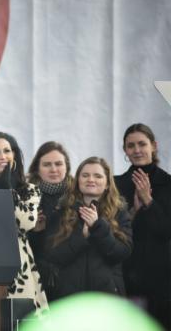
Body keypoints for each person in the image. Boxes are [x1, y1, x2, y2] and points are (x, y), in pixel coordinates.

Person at [0, 132, 48, 314]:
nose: (3, 156)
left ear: (14, 155)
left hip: (18, 265)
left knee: (18, 319)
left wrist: (7, 190)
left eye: (7, 151)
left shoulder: (28, 189)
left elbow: (27, 223)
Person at [47, 157, 132, 300]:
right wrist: (82, 238)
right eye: (85, 175)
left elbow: (122, 253)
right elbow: (54, 255)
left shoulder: (120, 212)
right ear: (78, 181)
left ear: (107, 184)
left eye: (98, 176)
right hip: (69, 299)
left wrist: (98, 227)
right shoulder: (62, 211)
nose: (90, 179)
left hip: (108, 297)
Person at [114, 123, 171, 329]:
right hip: (127, 275)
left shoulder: (168, 184)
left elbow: (166, 231)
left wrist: (148, 201)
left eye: (142, 144)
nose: (137, 150)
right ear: (125, 150)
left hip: (161, 278)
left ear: (153, 146)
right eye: (131, 146)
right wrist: (134, 212)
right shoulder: (115, 184)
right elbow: (113, 231)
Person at [27, 141, 73, 299]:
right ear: (37, 169)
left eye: (58, 164)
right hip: (37, 282)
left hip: (73, 281)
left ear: (66, 167)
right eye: (47, 164)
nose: (54, 169)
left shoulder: (78, 195)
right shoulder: (26, 197)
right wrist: (35, 233)